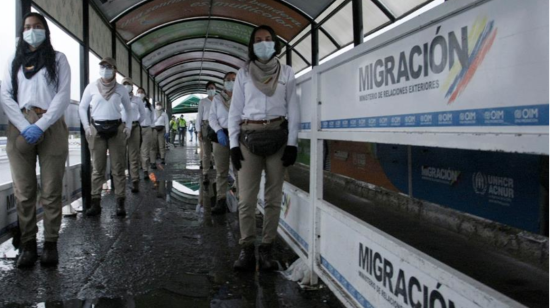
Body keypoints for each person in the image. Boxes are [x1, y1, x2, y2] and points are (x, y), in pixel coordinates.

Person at [0, 12, 71, 268]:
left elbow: (63, 96)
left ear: (45, 30)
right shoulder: (13, 61)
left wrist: (40, 125)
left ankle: (51, 243)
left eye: (37, 26)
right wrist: (23, 125)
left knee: (51, 189)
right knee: (24, 191)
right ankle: (28, 243)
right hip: (20, 125)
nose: (32, 30)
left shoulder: (59, 59)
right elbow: (6, 95)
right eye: (28, 27)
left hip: (50, 124)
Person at [228, 25, 300, 271]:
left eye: (268, 39)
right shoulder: (243, 73)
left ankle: (267, 248)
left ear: (275, 43)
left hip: (279, 137)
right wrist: (234, 145)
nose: (263, 43)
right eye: (258, 40)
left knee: (273, 198)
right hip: (249, 138)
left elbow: (294, 109)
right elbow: (235, 111)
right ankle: (247, 249)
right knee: (246, 199)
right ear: (252, 45)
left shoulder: (287, 72)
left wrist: (292, 143)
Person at [79, 57, 132, 218]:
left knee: (118, 167)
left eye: (109, 67)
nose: (105, 69)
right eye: (102, 66)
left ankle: (120, 203)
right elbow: (82, 107)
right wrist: (87, 126)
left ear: (115, 70)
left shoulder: (121, 89)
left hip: (116, 128)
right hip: (97, 128)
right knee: (98, 168)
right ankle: (96, 203)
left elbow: (128, 110)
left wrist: (128, 126)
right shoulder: (92, 87)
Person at [209, 72, 237, 215]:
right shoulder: (217, 99)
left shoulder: (242, 95)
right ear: (223, 82)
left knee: (240, 168)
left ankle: (240, 198)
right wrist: (219, 130)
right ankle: (221, 200)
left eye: (234, 80)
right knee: (221, 171)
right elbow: (212, 117)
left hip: (238, 135)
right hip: (221, 136)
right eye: (228, 80)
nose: (231, 82)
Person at [121, 77, 146, 193]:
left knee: (133, 155)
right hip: (121, 128)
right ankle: (120, 183)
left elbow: (143, 114)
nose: (126, 86)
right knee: (120, 155)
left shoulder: (137, 100)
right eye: (124, 84)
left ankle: (135, 181)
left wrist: (136, 123)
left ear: (132, 86)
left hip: (135, 128)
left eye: (128, 84)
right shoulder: (118, 97)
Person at [196, 82, 216, 178]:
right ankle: (205, 172)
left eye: (212, 88)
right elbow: (199, 115)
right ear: (206, 90)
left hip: (217, 125)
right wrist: (198, 131)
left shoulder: (218, 100)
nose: (211, 90)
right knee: (206, 150)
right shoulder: (202, 101)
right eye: (209, 88)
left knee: (217, 150)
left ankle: (218, 172)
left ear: (215, 89)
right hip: (205, 125)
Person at [138, 88, 154, 180]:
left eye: (142, 92)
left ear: (145, 94)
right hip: (136, 128)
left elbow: (153, 117)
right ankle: (138, 168)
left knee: (145, 150)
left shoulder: (149, 106)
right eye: (139, 92)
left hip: (147, 128)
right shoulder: (134, 103)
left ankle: (145, 170)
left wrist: (151, 126)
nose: (140, 94)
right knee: (136, 150)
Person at [151, 102, 169, 168]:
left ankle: (162, 158)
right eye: (157, 105)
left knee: (161, 145)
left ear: (162, 106)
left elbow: (167, 123)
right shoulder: (152, 113)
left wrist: (167, 132)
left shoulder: (164, 114)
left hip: (162, 130)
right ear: (155, 106)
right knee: (154, 145)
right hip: (154, 130)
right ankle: (153, 159)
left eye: (160, 105)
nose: (158, 106)